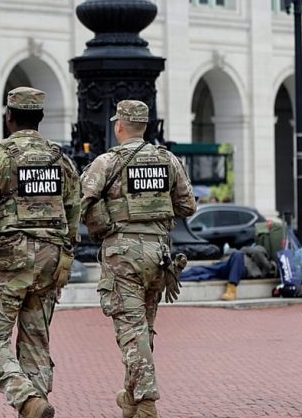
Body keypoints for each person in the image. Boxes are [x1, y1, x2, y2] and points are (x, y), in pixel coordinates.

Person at [0, 87, 81, 418]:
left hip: (7, 260)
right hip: (50, 261)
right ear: (41, 118)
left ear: (9, 117)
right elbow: (74, 212)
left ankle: (25, 397)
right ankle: (37, 404)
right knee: (36, 342)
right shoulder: (62, 161)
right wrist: (63, 252)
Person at [80, 100, 196, 418]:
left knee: (132, 330)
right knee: (143, 328)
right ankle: (130, 399)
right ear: (146, 126)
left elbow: (83, 202)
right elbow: (188, 206)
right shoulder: (166, 160)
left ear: (119, 126)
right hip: (158, 253)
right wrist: (155, 208)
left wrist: (105, 223)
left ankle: (146, 401)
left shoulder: (107, 162)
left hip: (123, 254)